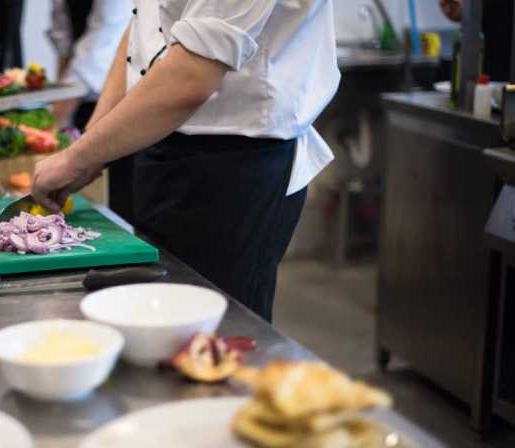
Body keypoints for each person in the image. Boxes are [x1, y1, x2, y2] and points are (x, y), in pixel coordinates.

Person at [31, 0, 340, 321]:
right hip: (160, 142)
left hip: (233, 168)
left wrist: (75, 159)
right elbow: (141, 30)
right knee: (158, 317)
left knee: (217, 329)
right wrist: (93, 144)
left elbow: (191, 75)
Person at [47, 0, 133, 220]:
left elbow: (101, 42)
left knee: (119, 198)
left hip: (122, 104)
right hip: (77, 99)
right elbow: (63, 37)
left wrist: (59, 116)